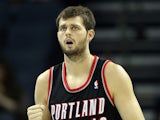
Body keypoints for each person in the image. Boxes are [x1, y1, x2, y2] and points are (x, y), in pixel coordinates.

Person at [27, 5, 145, 120]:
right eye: (63, 28)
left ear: (90, 35)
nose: (67, 32)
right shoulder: (45, 82)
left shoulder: (112, 74)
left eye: (74, 28)